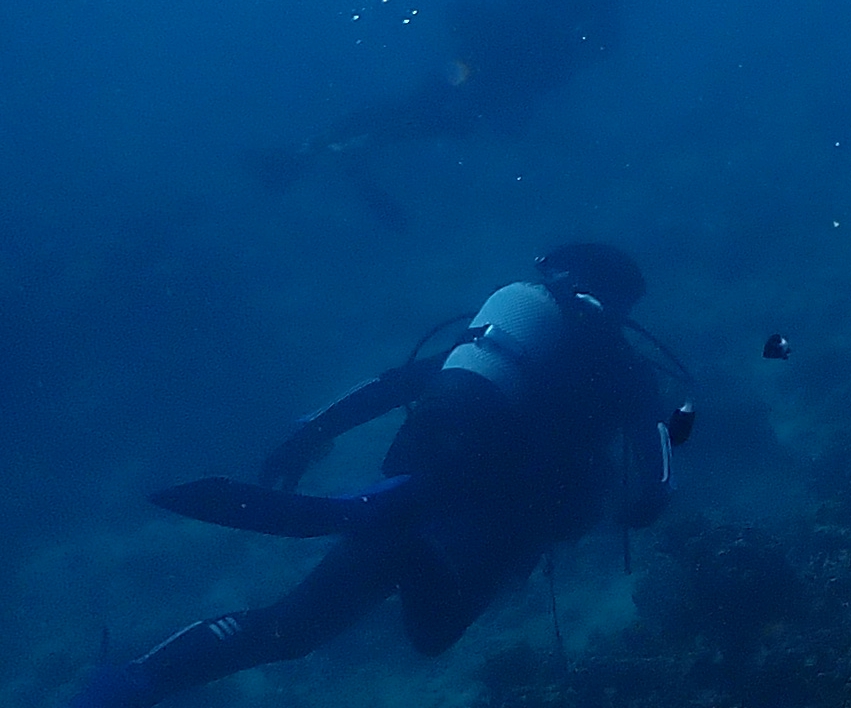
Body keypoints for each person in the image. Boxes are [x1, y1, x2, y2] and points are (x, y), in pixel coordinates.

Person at [62, 243, 679, 707]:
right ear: (620, 303)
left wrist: (307, 435)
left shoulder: (495, 343)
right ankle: (412, 550)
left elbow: (391, 387)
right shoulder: (619, 366)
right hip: (498, 523)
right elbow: (654, 439)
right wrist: (650, 500)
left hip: (419, 488)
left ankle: (130, 682)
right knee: (433, 634)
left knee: (289, 628)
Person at [259, 0, 655, 188]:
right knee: (454, 117)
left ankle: (329, 142)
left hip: (475, 45)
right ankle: (352, 144)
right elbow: (596, 45)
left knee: (432, 94)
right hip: (496, 56)